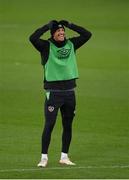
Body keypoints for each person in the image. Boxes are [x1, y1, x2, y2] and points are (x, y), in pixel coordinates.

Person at [29, 20, 92, 167]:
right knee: (49, 124)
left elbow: (87, 34)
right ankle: (44, 158)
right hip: (53, 93)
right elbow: (32, 38)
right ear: (53, 34)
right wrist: (46, 26)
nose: (62, 33)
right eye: (59, 31)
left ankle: (64, 156)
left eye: (63, 31)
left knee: (68, 125)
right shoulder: (45, 46)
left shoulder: (71, 44)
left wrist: (70, 24)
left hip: (70, 92)